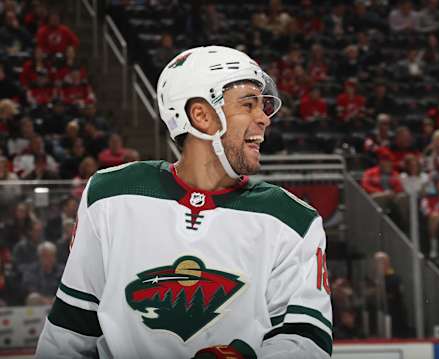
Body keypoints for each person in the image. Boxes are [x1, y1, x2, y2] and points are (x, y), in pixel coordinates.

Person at [36, 45, 333, 358]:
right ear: (202, 116)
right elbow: (70, 331)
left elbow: (306, 341)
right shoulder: (111, 196)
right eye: (249, 105)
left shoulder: (293, 220)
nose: (264, 119)